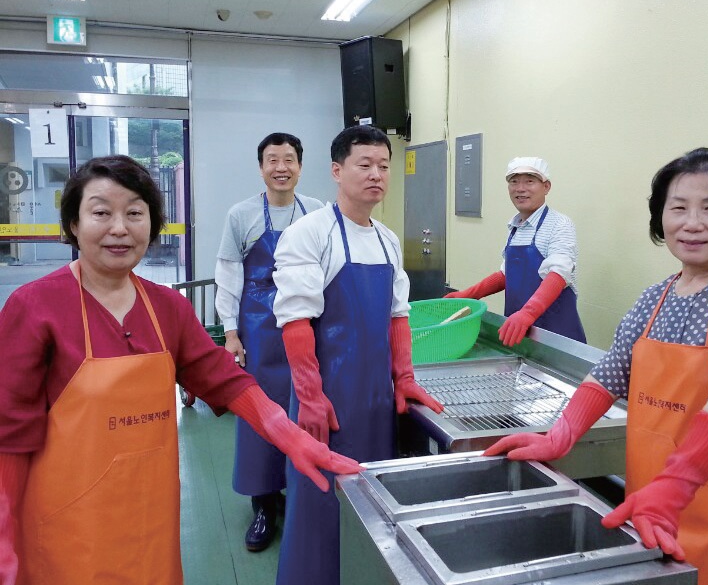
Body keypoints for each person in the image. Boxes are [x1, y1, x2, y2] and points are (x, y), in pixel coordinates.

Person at [0, 155, 361, 585]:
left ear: (151, 225)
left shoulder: (167, 307)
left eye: (135, 213)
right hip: (68, 530)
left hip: (150, 523)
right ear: (73, 224)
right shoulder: (35, 307)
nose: (119, 227)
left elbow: (221, 378)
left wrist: (290, 436)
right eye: (101, 212)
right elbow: (9, 433)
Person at [484, 148, 708, 585]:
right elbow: (607, 377)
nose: (692, 223)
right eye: (678, 208)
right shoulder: (654, 299)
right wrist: (560, 436)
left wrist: (672, 491)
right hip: (647, 509)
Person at [271, 125, 444, 585]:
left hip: (375, 401)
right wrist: (309, 395)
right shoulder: (310, 234)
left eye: (384, 166)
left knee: (371, 500)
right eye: (364, 165)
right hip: (326, 402)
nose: (376, 175)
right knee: (319, 501)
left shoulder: (388, 240)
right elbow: (295, 320)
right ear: (336, 170)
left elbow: (397, 315)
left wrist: (403, 379)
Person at [215, 132, 324, 552]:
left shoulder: (316, 212)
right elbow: (228, 276)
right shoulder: (241, 215)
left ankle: (301, 494)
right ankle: (263, 504)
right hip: (259, 332)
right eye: (272, 160)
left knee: (305, 410)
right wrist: (230, 331)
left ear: (300, 165)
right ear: (261, 167)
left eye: (289, 159)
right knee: (261, 416)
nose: (281, 167)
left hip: (307, 327)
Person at [445, 156, 586, 345]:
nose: (520, 188)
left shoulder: (560, 224)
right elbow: (506, 274)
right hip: (519, 334)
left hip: (558, 339)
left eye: (530, 181)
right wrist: (469, 294)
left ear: (546, 186)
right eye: (514, 182)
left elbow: (559, 274)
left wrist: (528, 313)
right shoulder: (515, 226)